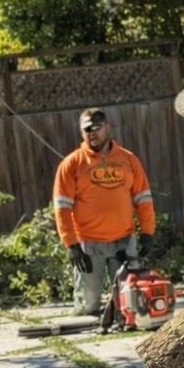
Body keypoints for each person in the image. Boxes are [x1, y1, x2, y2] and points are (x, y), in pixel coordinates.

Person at [53, 108, 157, 318]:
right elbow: (62, 207)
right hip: (89, 246)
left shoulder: (128, 159)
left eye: (97, 128)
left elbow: (143, 198)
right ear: (81, 132)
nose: (92, 133)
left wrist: (147, 233)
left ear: (107, 128)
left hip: (123, 242)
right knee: (88, 307)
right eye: (87, 130)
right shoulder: (71, 164)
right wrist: (71, 245)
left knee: (128, 305)